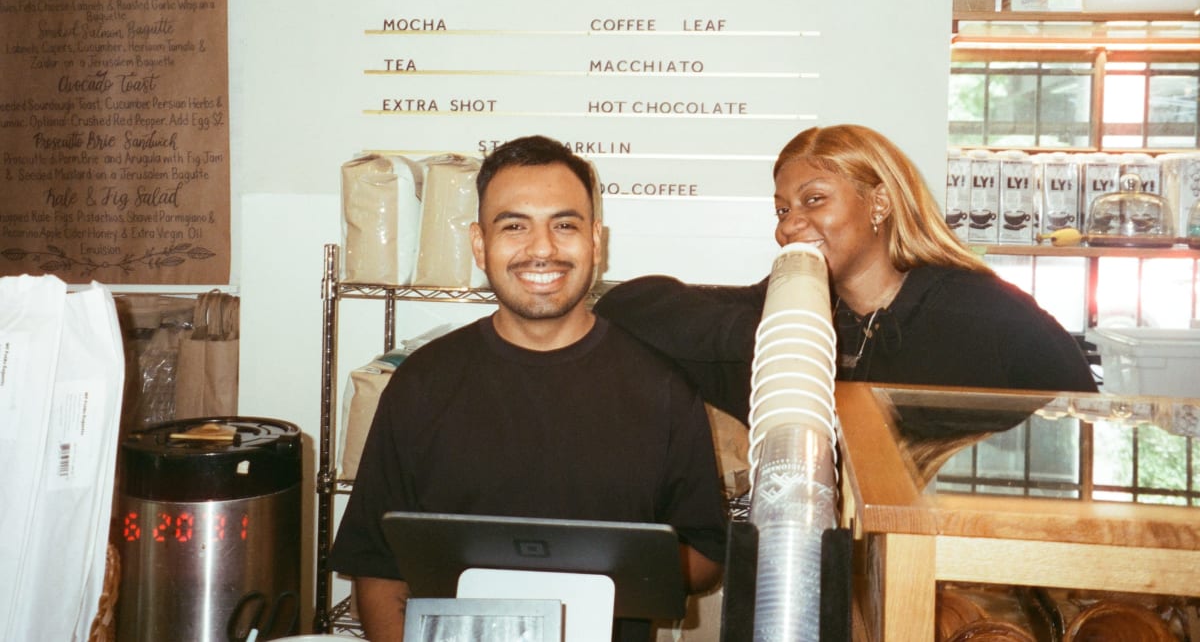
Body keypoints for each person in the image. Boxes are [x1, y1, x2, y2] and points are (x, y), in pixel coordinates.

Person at [329, 135, 727, 642]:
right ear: (479, 244)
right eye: (514, 226)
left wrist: (617, 570)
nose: (542, 248)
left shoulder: (663, 387)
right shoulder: (421, 384)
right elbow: (378, 566)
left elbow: (708, 555)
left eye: (565, 225)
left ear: (596, 241)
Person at [595, 124, 1098, 425]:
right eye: (781, 210)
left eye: (814, 200)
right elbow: (630, 305)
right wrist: (784, 333)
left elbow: (1082, 426)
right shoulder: (787, 308)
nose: (790, 225)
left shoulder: (986, 313)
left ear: (878, 202)